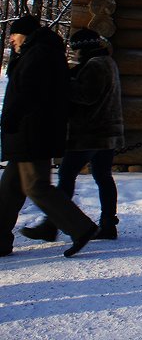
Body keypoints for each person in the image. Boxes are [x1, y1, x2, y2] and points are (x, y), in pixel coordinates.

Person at [0, 15, 100, 258]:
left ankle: (80, 227)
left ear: (25, 33)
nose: (11, 38)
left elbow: (30, 92)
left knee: (36, 186)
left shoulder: (40, 54)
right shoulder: (37, 52)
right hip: (28, 132)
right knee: (9, 189)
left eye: (14, 34)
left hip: (33, 133)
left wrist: (12, 116)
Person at [20, 28, 125, 242]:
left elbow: (86, 96)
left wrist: (62, 82)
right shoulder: (107, 62)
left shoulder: (95, 65)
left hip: (90, 133)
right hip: (107, 132)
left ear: (82, 48)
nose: (74, 53)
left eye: (75, 49)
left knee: (67, 175)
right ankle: (107, 224)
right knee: (103, 178)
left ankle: (53, 223)